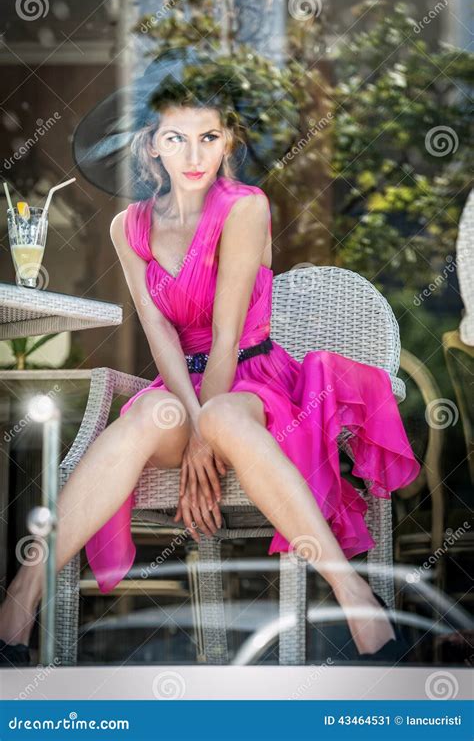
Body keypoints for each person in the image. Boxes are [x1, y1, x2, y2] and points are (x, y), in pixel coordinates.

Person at [0, 53, 421, 665]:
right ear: (152, 149)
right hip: (181, 386)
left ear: (228, 142)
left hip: (254, 380)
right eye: (177, 139)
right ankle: (20, 599)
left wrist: (203, 437)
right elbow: (161, 336)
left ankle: (355, 597)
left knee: (221, 418)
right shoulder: (130, 226)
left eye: (209, 137)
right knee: (146, 419)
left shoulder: (245, 207)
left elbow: (225, 339)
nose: (194, 155)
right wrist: (189, 424)